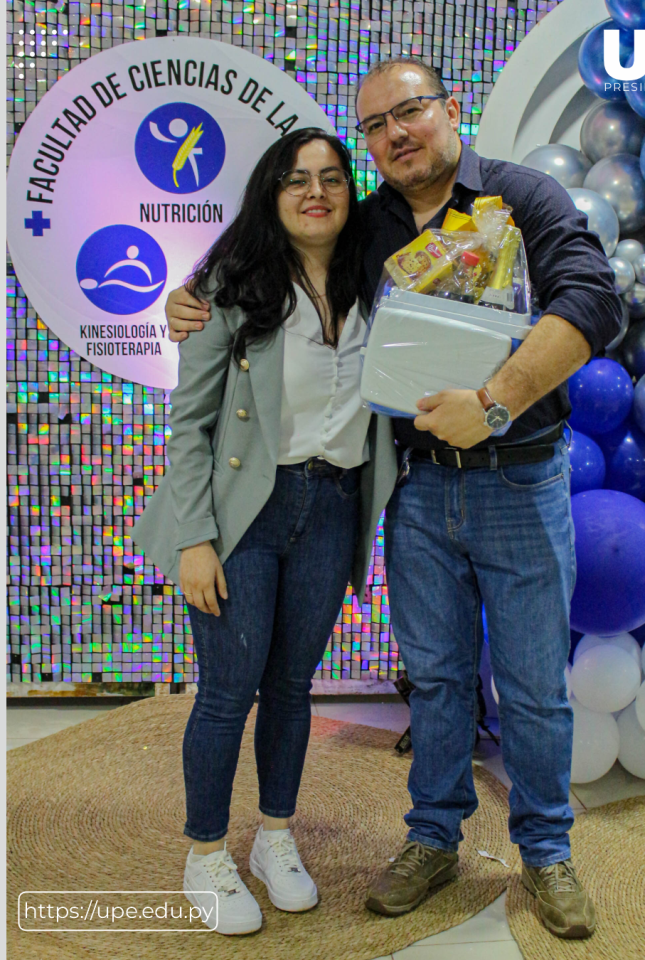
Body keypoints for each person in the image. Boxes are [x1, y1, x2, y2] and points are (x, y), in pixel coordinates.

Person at [163, 58, 623, 940]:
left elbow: (592, 301)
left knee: (532, 690)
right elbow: (261, 261)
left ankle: (547, 852)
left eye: (409, 111)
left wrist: (493, 405)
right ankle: (431, 839)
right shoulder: (366, 225)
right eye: (375, 125)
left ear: (451, 110)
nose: (394, 134)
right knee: (439, 683)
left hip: (519, 482)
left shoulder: (522, 199)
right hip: (413, 497)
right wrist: (189, 298)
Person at [133, 127, 396, 936]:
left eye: (330, 179)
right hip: (245, 513)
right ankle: (205, 852)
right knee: (227, 692)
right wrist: (192, 537)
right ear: (270, 193)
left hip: (333, 506)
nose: (314, 192)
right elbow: (189, 425)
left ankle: (275, 837)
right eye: (295, 179)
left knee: (290, 689)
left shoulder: (376, 283)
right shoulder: (230, 284)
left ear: (350, 195)